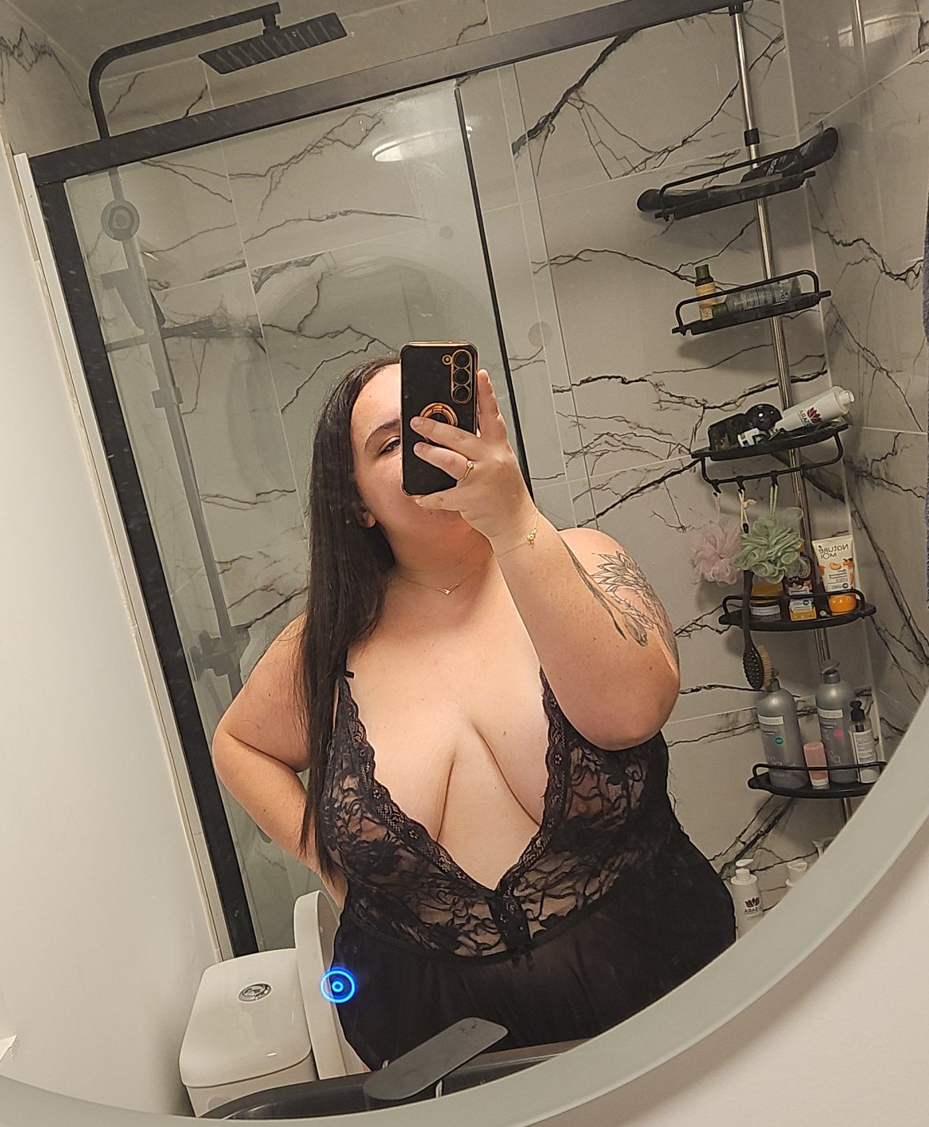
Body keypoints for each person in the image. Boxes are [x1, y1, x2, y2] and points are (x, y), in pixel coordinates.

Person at [212, 354, 735, 1070]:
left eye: (440, 422)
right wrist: (335, 865)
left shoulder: (584, 558)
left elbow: (630, 712)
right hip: (433, 1046)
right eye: (391, 444)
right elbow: (239, 744)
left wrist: (513, 520)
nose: (427, 448)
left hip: (667, 1004)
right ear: (358, 504)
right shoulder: (323, 645)